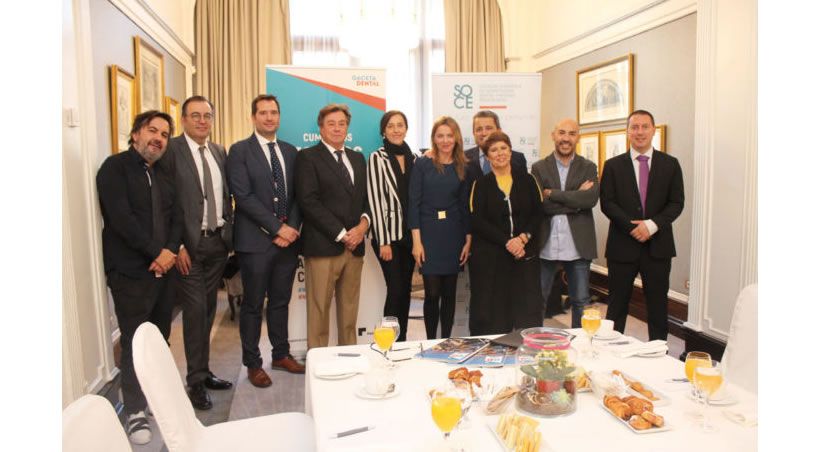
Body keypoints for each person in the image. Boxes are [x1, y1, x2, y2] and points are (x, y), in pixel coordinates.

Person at [96, 110, 176, 445]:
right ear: (136, 134)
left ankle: (151, 397)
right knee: (134, 341)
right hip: (130, 271)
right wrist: (156, 253)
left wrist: (169, 252)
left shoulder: (163, 173)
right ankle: (133, 410)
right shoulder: (114, 168)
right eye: (152, 131)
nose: (158, 138)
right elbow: (121, 218)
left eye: (164, 135)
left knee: (157, 339)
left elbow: (176, 217)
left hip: (164, 270)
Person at [157, 96, 234, 409]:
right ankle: (195, 381)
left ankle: (203, 371)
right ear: (184, 119)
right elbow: (163, 203)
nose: (203, 121)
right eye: (196, 115)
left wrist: (228, 233)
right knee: (195, 311)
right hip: (188, 246)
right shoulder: (171, 150)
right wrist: (175, 246)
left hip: (217, 244)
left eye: (207, 116)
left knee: (208, 310)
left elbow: (224, 195)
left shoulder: (218, 151)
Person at [226, 94, 305, 388]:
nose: (269, 117)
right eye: (263, 113)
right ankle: (253, 363)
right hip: (255, 243)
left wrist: (291, 227)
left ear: (279, 117)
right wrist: (277, 229)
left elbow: (298, 195)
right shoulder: (239, 151)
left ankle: (281, 354)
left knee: (280, 302)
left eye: (273, 112)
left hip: (288, 243)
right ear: (253, 117)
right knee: (252, 305)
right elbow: (243, 196)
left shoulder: (290, 151)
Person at [600, 110, 684, 340]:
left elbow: (676, 203)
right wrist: (632, 227)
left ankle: (658, 351)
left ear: (653, 130)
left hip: (658, 247)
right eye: (634, 127)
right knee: (616, 306)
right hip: (622, 246)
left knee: (658, 306)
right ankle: (610, 349)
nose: (639, 132)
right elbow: (607, 203)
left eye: (644, 127)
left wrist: (652, 225)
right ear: (627, 132)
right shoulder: (613, 165)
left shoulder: (670, 164)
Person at [296, 104, 370, 349]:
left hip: (355, 248)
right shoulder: (308, 157)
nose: (337, 128)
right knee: (319, 314)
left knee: (349, 314)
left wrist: (363, 226)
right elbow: (308, 201)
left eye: (342, 124)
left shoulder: (358, 158)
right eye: (331, 124)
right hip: (323, 247)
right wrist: (341, 234)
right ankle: (318, 363)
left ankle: (348, 359)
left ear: (347, 127)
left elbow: (365, 199)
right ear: (321, 128)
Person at [469, 131, 543, 334]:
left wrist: (523, 238)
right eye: (494, 150)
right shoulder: (480, 185)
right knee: (495, 314)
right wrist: (507, 242)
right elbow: (477, 221)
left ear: (510, 151)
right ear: (487, 156)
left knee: (527, 311)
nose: (500, 153)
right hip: (493, 258)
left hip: (524, 254)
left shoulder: (528, 180)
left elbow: (538, 213)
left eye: (503, 148)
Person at [530, 118, 600, 328]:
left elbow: (590, 200)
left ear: (578, 137)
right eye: (562, 133)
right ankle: (535, 339)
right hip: (546, 244)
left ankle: (581, 341)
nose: (566, 138)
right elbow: (539, 205)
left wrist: (553, 194)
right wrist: (575, 199)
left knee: (581, 301)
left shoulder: (588, 167)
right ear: (553, 135)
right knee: (537, 300)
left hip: (578, 245)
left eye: (571, 133)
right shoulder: (539, 167)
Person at [409, 116, 471, 339]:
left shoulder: (463, 165)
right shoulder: (423, 164)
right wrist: (417, 242)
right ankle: (430, 341)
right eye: (440, 136)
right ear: (434, 138)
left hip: (453, 233)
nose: (445, 140)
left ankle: (445, 339)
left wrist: (468, 239)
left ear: (456, 138)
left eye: (449, 135)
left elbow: (464, 205)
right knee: (432, 294)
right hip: (428, 233)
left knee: (449, 294)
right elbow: (414, 203)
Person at [366, 110, 416, 342]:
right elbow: (376, 200)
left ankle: (401, 339)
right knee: (395, 290)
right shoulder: (377, 158)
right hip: (388, 237)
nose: (396, 130)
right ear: (383, 131)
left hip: (410, 236)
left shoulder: (414, 157)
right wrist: (383, 241)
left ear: (406, 128)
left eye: (400, 125)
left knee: (405, 290)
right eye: (391, 126)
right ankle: (387, 342)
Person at [464, 110, 527, 187]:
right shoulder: (463, 158)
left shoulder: (518, 159)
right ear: (473, 133)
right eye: (479, 129)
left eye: (488, 128)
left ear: (499, 131)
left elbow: (523, 189)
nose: (484, 133)